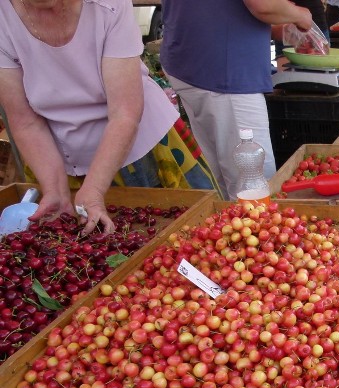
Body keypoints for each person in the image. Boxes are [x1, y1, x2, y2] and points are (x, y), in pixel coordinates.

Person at [0, 0, 217, 235]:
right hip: (55, 159)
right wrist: (54, 190)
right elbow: (25, 121)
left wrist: (94, 189)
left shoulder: (109, 4)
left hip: (138, 148)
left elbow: (124, 112)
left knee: (185, 238)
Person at [161, 0, 313, 200]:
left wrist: (282, 28)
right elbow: (262, 5)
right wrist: (301, 14)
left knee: (223, 178)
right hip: (224, 72)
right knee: (253, 187)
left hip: (194, 63)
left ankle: (228, 224)